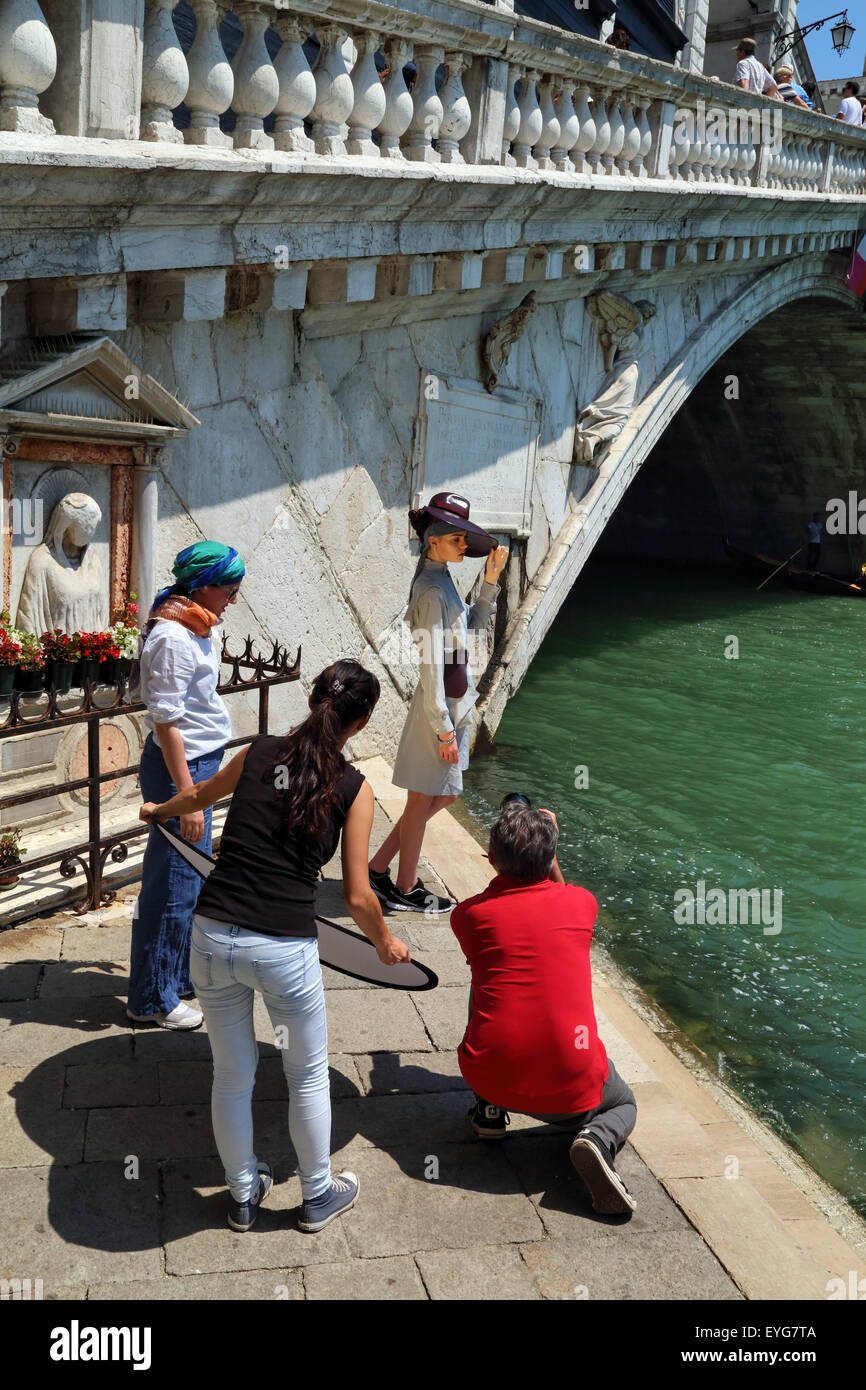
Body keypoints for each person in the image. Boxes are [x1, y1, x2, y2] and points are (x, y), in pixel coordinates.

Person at [139, 659, 411, 1233]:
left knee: (231, 1075)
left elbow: (197, 799)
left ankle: (242, 1196)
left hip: (211, 935)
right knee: (307, 1074)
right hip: (283, 947)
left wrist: (156, 810)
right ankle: (317, 1194)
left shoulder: (257, 753)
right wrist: (385, 943)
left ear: (313, 700)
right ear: (360, 724)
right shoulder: (353, 788)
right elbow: (360, 898)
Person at [450, 800, 637, 1216]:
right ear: (551, 857)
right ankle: (596, 1137)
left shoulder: (467, 917)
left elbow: (494, 908)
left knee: (491, 980)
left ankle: (490, 1112)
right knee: (625, 1104)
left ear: (492, 859)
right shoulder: (582, 904)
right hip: (570, 1088)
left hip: (490, 1070)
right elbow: (562, 892)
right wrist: (551, 853)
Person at [368, 493, 508, 913]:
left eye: (466, 539)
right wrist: (443, 727)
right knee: (422, 799)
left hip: (454, 705)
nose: (465, 546)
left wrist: (490, 581)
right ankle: (404, 887)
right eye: (458, 540)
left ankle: (377, 869)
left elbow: (476, 627)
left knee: (439, 797)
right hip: (441, 709)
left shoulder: (443, 580)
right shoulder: (430, 591)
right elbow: (431, 667)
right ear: (435, 541)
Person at [127, 542, 245, 1031]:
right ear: (203, 586)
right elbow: (166, 723)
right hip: (185, 769)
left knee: (190, 877)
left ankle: (174, 976)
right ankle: (152, 999)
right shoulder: (173, 637)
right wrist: (186, 797)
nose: (234, 599)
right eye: (229, 589)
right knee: (173, 885)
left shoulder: (192, 622)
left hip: (198, 765)